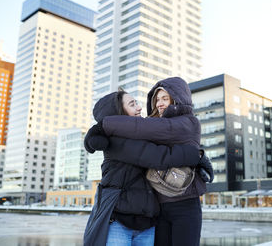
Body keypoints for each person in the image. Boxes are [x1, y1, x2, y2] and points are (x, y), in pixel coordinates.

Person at [83, 90, 209, 246]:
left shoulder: (142, 134)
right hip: (119, 222)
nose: (139, 108)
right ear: (119, 112)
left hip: (146, 224)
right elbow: (158, 156)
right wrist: (196, 155)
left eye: (137, 102)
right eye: (132, 104)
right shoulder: (115, 142)